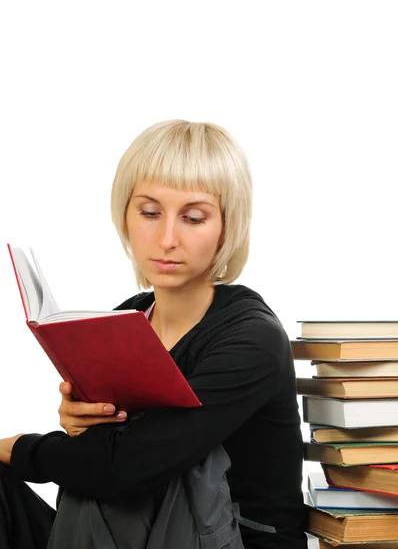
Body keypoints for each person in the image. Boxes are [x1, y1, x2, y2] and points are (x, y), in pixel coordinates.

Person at [0, 120, 307, 548]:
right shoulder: (128, 318)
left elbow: (127, 467)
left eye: (193, 217)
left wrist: (18, 449)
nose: (166, 239)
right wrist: (79, 422)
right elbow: (106, 454)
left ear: (226, 228)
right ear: (124, 217)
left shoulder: (252, 338)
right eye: (149, 212)